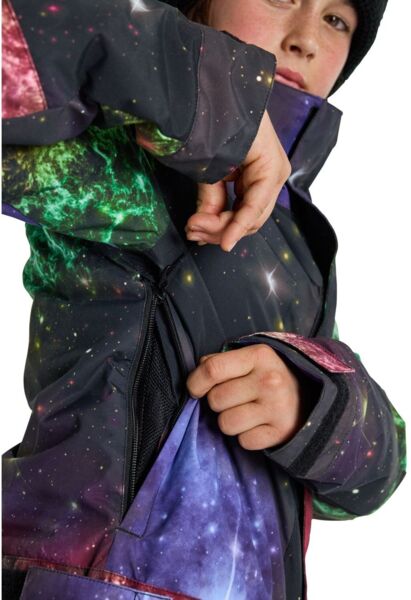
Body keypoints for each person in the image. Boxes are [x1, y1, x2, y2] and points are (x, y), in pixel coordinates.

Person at [1, 0, 406, 599]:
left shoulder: (304, 243)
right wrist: (216, 92)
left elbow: (375, 479)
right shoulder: (120, 160)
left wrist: (314, 404)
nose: (306, 39)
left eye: (336, 20)